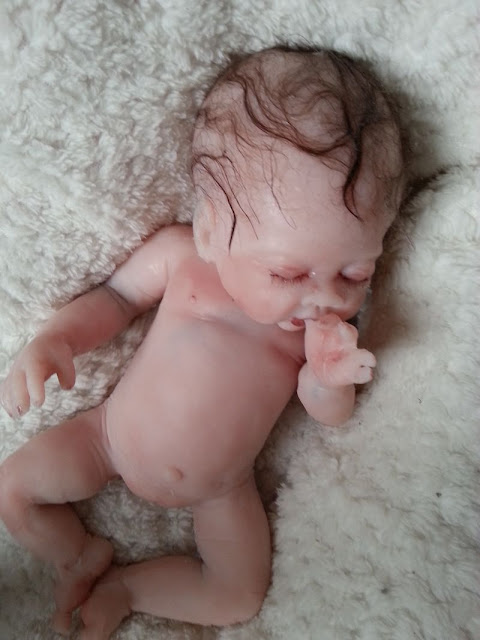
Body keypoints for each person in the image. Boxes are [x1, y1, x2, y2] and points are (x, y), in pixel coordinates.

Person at [0, 46, 405, 639]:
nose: (323, 297)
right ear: (213, 231)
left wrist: (329, 379)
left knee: (238, 595)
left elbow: (330, 414)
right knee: (12, 488)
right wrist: (56, 340)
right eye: (287, 273)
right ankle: (75, 556)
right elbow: (115, 298)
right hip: (105, 439)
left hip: (223, 490)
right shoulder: (184, 258)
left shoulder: (320, 337)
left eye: (354, 273)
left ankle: (128, 588)